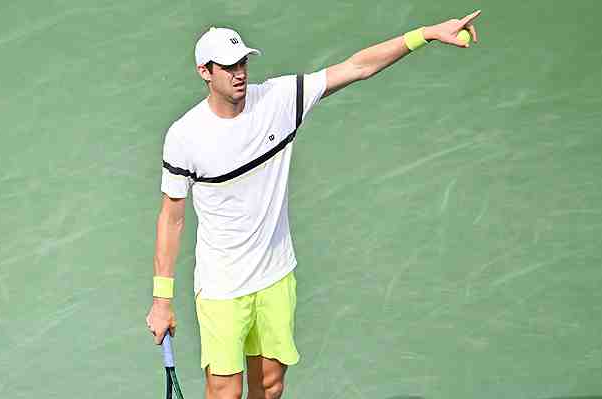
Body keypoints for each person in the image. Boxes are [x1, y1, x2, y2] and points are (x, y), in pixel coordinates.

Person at [146, 10, 481, 399]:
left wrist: (427, 33)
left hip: (275, 275)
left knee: (270, 388)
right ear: (205, 71)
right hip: (222, 286)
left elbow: (357, 67)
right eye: (228, 67)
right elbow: (171, 220)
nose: (239, 73)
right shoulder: (185, 136)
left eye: (242, 63)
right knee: (225, 394)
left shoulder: (279, 100)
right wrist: (162, 300)